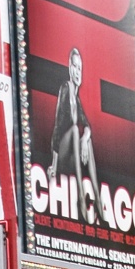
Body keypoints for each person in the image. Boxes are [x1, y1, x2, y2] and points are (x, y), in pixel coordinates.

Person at [47, 47, 101, 226]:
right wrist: (53, 164)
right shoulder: (66, 88)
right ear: (69, 68)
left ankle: (98, 199)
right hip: (62, 154)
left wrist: (85, 140)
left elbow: (88, 125)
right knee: (75, 131)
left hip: (73, 153)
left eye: (80, 68)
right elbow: (57, 126)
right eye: (75, 67)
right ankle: (80, 196)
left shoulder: (77, 99)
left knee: (87, 138)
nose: (77, 72)